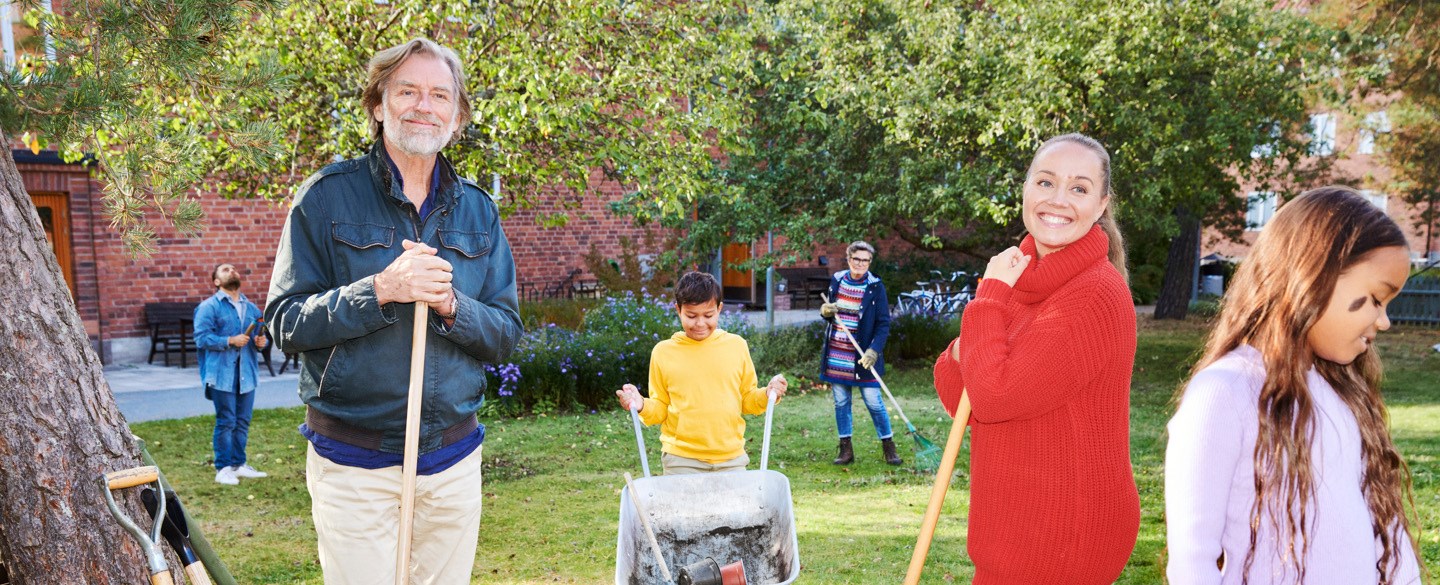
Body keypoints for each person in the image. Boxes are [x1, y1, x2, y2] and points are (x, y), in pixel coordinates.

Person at [265, 38, 522, 584]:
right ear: (379, 105)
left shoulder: (479, 210)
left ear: (457, 116)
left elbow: (505, 335)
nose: (423, 105)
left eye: (439, 95)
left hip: (452, 460)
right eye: (407, 91)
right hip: (354, 459)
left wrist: (452, 304)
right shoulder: (325, 198)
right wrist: (380, 288)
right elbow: (285, 322)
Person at [1165, 186, 1421, 585]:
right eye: (1374, 298)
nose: (1384, 321)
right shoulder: (1224, 393)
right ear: (1311, 275)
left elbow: (1383, 528)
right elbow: (1191, 561)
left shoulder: (1345, 393)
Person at [932, 133, 1139, 583]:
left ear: (1102, 205)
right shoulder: (1018, 279)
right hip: (1011, 530)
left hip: (1062, 537)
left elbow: (992, 396)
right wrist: (987, 324)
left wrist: (986, 304)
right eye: (1046, 182)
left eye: (1079, 188)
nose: (1058, 200)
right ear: (1025, 189)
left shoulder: (1094, 295)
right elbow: (956, 393)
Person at [616, 272, 788, 475]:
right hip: (681, 460)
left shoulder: (736, 346)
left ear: (719, 309)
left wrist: (768, 394)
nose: (699, 323)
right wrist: (642, 404)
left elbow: (746, 399)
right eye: (691, 316)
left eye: (708, 315)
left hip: (731, 459)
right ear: (678, 310)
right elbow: (661, 407)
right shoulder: (663, 352)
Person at [818, 241, 899, 465]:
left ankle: (889, 447)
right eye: (857, 259)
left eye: (865, 260)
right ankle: (846, 450)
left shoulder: (875, 286)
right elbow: (829, 311)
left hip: (863, 356)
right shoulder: (838, 280)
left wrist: (874, 350)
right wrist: (825, 311)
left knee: (874, 401)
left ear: (869, 262)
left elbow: (883, 324)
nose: (861, 264)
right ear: (849, 258)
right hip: (837, 354)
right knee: (841, 402)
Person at [194, 263, 269, 486]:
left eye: (234, 269)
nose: (232, 271)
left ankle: (238, 465)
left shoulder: (252, 309)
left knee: (243, 420)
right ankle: (223, 468)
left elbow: (257, 343)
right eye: (226, 270)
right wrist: (229, 341)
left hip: (246, 373)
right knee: (226, 421)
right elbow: (201, 338)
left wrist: (260, 343)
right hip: (221, 374)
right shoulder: (209, 307)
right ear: (216, 281)